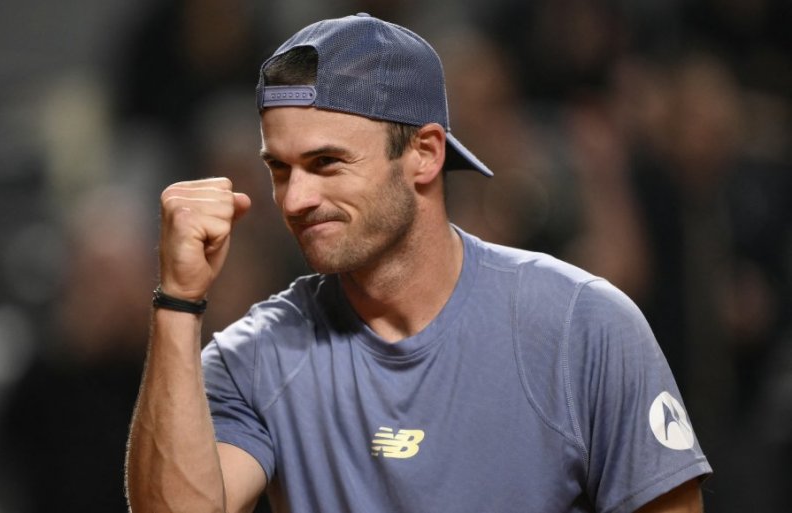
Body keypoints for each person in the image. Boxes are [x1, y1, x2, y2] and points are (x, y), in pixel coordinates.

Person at [126, 13, 712, 513]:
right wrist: (178, 300)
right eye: (280, 169)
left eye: (326, 163)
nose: (295, 199)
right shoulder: (255, 356)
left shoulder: (582, 326)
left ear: (426, 154)